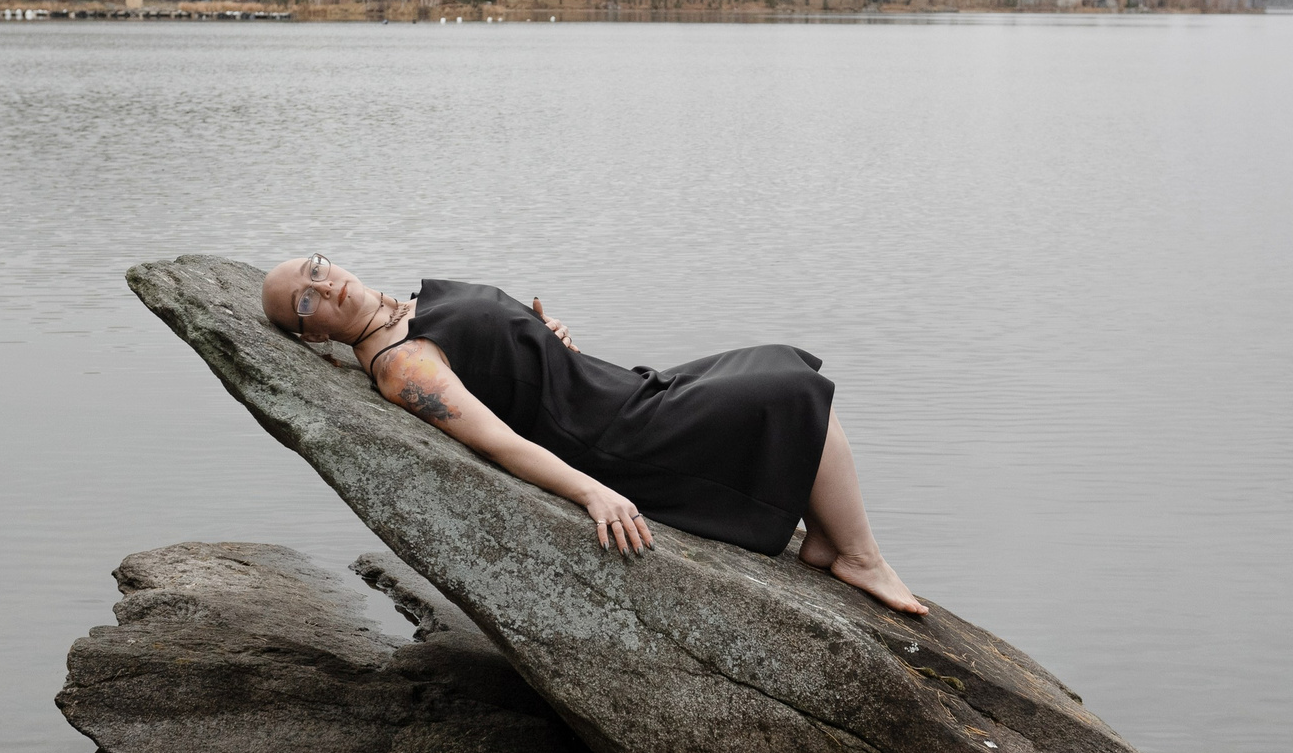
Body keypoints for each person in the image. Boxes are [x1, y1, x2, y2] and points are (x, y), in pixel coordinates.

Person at [261, 254, 926, 614]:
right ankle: (857, 556)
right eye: (308, 299)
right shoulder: (403, 366)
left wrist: (542, 338)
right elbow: (498, 441)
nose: (327, 285)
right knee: (792, 391)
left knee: (781, 361)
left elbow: (503, 354)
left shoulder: (405, 310)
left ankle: (829, 543)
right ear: (313, 332)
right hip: (612, 433)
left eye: (317, 268)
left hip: (616, 385)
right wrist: (594, 494)